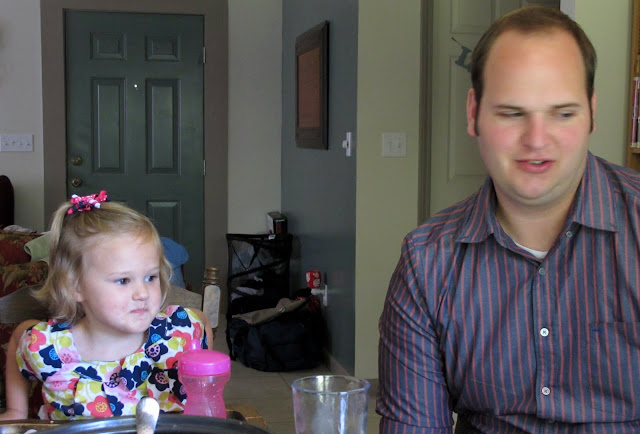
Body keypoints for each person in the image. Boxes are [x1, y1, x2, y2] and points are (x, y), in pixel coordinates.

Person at [378, 6, 640, 433]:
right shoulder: (426, 263)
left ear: (592, 113)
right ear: (473, 113)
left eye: (563, 113)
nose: (536, 139)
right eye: (512, 113)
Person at [0, 191, 214, 420]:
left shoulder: (177, 334)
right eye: (123, 280)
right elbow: (19, 336)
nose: (143, 293)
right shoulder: (49, 347)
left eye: (150, 277)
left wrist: (204, 395)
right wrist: (16, 410)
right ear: (75, 286)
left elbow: (200, 321)